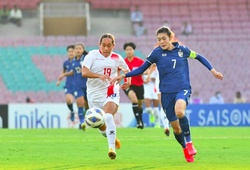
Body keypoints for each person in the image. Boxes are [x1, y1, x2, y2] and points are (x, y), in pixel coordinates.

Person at [112, 26, 223, 162]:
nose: (161, 42)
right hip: (166, 93)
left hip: (182, 89)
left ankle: (189, 143)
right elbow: (142, 69)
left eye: (164, 39)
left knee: (180, 111)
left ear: (170, 37)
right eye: (159, 40)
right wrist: (123, 75)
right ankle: (184, 148)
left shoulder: (183, 50)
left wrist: (213, 70)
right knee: (176, 129)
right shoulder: (156, 53)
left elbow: (199, 57)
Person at [81, 33, 130, 160]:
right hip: (94, 95)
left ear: (113, 45)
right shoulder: (92, 55)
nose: (106, 48)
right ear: (99, 44)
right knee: (101, 124)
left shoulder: (117, 58)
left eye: (109, 45)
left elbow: (127, 71)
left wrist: (128, 81)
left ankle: (111, 149)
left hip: (110, 91)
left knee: (108, 116)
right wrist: (99, 76)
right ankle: (112, 137)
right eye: (104, 45)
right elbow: (84, 72)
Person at [58, 42, 88, 130]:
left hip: (87, 85)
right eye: (77, 49)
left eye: (80, 49)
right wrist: (64, 75)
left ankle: (85, 119)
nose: (78, 50)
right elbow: (73, 71)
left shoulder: (86, 59)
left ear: (83, 50)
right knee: (80, 103)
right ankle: (82, 123)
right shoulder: (74, 61)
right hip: (77, 85)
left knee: (87, 106)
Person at [123, 42, 145, 129]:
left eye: (130, 49)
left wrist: (145, 73)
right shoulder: (123, 62)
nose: (128, 51)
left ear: (133, 50)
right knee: (134, 99)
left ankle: (140, 119)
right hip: (128, 85)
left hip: (139, 85)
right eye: (127, 50)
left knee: (139, 104)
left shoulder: (139, 61)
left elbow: (146, 70)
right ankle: (138, 122)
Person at [146, 64, 170, 136]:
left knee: (170, 105)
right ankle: (166, 127)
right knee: (163, 104)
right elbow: (153, 65)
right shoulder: (159, 53)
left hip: (172, 82)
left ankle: (167, 124)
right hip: (160, 82)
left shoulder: (176, 54)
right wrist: (149, 75)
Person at [56, 45, 76, 122]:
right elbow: (63, 72)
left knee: (81, 104)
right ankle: (72, 111)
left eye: (72, 51)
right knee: (68, 100)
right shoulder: (66, 63)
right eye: (69, 52)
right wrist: (59, 80)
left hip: (78, 85)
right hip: (69, 85)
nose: (70, 53)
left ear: (75, 52)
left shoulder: (78, 62)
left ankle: (82, 120)